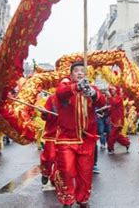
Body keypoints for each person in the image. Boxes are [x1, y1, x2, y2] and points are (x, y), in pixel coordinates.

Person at [53, 62, 106, 207]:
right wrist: (77, 87)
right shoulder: (65, 87)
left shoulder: (91, 88)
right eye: (76, 71)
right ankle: (67, 198)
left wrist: (94, 94)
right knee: (67, 171)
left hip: (87, 138)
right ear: (71, 75)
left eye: (83, 71)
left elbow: (102, 103)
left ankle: (82, 198)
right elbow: (60, 94)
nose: (80, 73)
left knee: (85, 172)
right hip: (67, 138)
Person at [40, 94, 58, 185]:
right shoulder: (52, 98)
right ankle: (45, 173)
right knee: (50, 156)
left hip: (67, 134)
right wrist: (44, 112)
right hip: (52, 133)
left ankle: (55, 177)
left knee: (62, 158)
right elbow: (44, 117)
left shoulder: (75, 96)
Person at [107, 86, 130, 154]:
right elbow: (112, 108)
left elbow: (114, 103)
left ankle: (110, 149)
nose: (112, 90)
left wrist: (109, 96)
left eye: (113, 89)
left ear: (116, 90)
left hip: (118, 120)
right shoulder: (112, 98)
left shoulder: (119, 97)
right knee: (116, 136)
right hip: (113, 119)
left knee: (111, 135)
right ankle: (127, 143)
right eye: (111, 89)